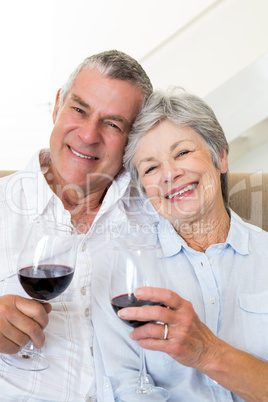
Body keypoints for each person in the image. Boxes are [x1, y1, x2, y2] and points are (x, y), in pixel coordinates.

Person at [0, 50, 158, 401]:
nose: (88, 135)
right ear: (57, 105)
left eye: (113, 124)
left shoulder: (160, 211)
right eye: (79, 110)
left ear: (134, 139)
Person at [92, 87, 268, 401]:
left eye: (183, 152)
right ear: (145, 190)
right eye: (151, 168)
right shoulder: (120, 270)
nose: (170, 174)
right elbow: (124, 389)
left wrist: (208, 353)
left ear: (221, 156)